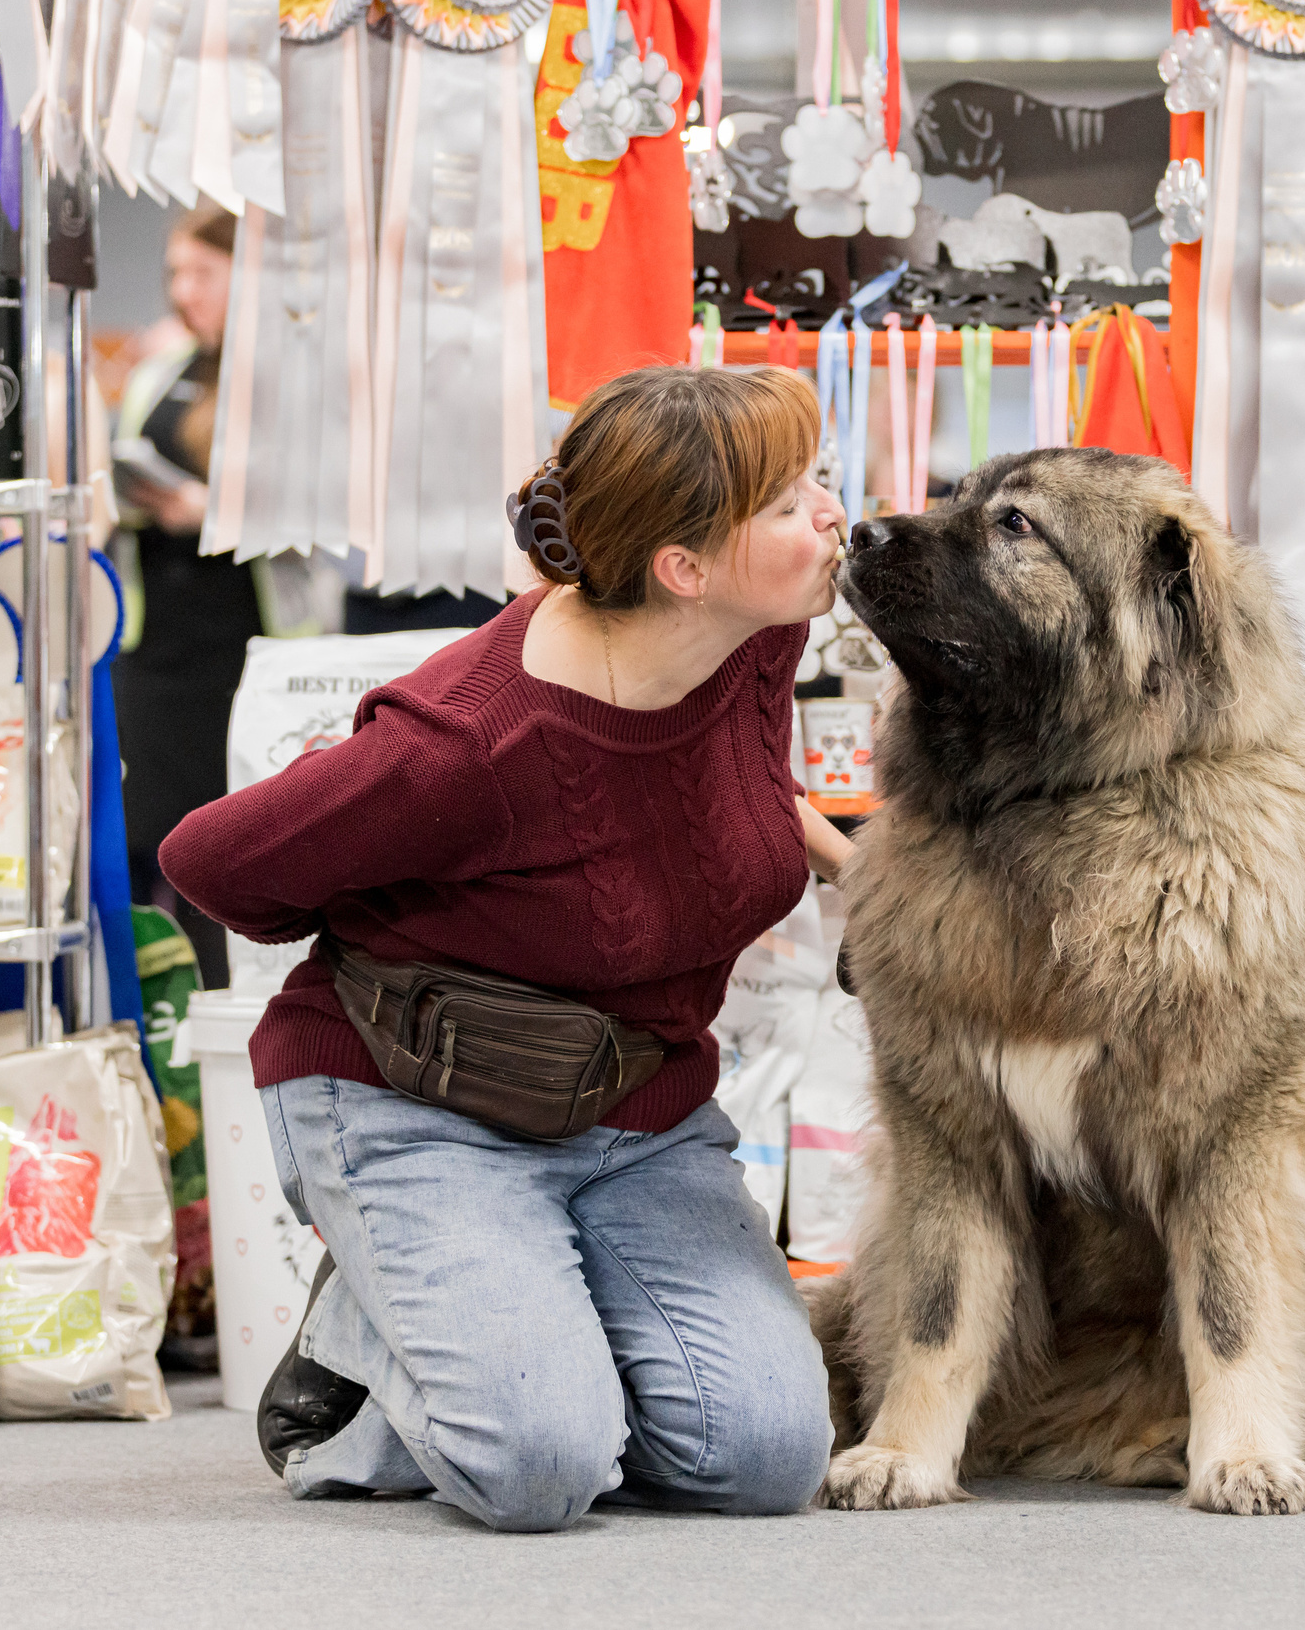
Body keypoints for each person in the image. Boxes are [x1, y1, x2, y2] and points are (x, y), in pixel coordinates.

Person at [159, 365, 850, 1532]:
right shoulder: (464, 745)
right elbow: (212, 860)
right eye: (790, 502)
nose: (832, 513)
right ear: (682, 570)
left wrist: (853, 868)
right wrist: (402, 926)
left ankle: (518, 1319)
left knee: (766, 1458)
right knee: (538, 1469)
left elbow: (727, 775)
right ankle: (365, 1353)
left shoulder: (751, 633)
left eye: (818, 482)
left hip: (636, 1107)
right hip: (418, 1102)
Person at [113, 205, 266, 988]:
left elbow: (318, 515)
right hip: (155, 646)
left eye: (202, 272)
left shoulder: (283, 377)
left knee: (230, 839)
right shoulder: (158, 371)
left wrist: (210, 514)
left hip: (242, 642)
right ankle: (163, 1005)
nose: (182, 290)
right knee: (148, 835)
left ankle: (229, 999)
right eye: (174, 272)